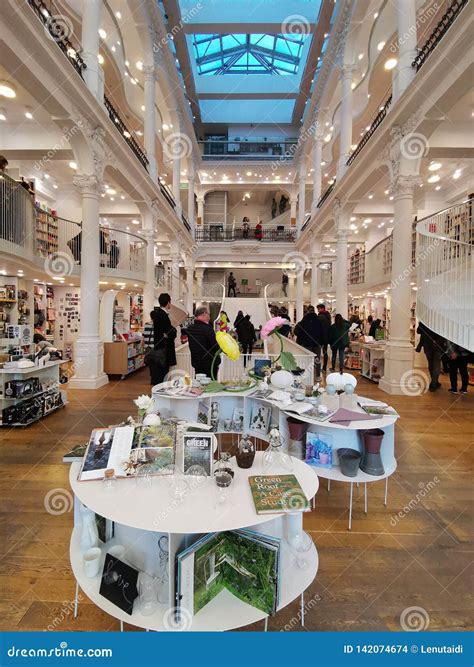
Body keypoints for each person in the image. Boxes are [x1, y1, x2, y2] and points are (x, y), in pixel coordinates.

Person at [147, 293, 177, 386]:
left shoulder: (159, 314)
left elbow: (167, 332)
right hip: (164, 350)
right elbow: (169, 332)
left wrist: (170, 331)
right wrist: (173, 330)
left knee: (161, 375)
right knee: (162, 375)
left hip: (161, 349)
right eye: (170, 302)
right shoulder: (162, 315)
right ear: (168, 302)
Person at [186, 307, 221, 378]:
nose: (209, 317)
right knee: (210, 386)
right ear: (204, 314)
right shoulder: (208, 329)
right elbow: (216, 347)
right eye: (209, 314)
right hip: (210, 364)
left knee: (199, 385)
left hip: (197, 364)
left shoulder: (190, 329)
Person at [294, 305, 325, 380]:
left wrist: (301, 340)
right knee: (317, 359)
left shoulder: (304, 320)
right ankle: (317, 376)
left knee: (307, 360)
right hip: (317, 344)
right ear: (314, 311)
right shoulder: (319, 320)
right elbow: (322, 332)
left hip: (306, 343)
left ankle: (308, 376)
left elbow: (298, 332)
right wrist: (322, 342)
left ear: (307, 311)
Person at [415, 322, 445, 392]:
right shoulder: (440, 322)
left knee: (431, 365)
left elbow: (418, 331)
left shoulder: (425, 321)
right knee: (436, 365)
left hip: (428, 345)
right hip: (437, 345)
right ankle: (434, 383)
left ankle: (434, 383)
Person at [317, 303, 331, 372]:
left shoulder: (320, 316)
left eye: (319, 309)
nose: (318, 310)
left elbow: (319, 328)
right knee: (325, 352)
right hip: (326, 337)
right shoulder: (328, 316)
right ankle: (324, 367)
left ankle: (318, 367)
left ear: (322, 308)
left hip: (320, 337)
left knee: (318, 353)